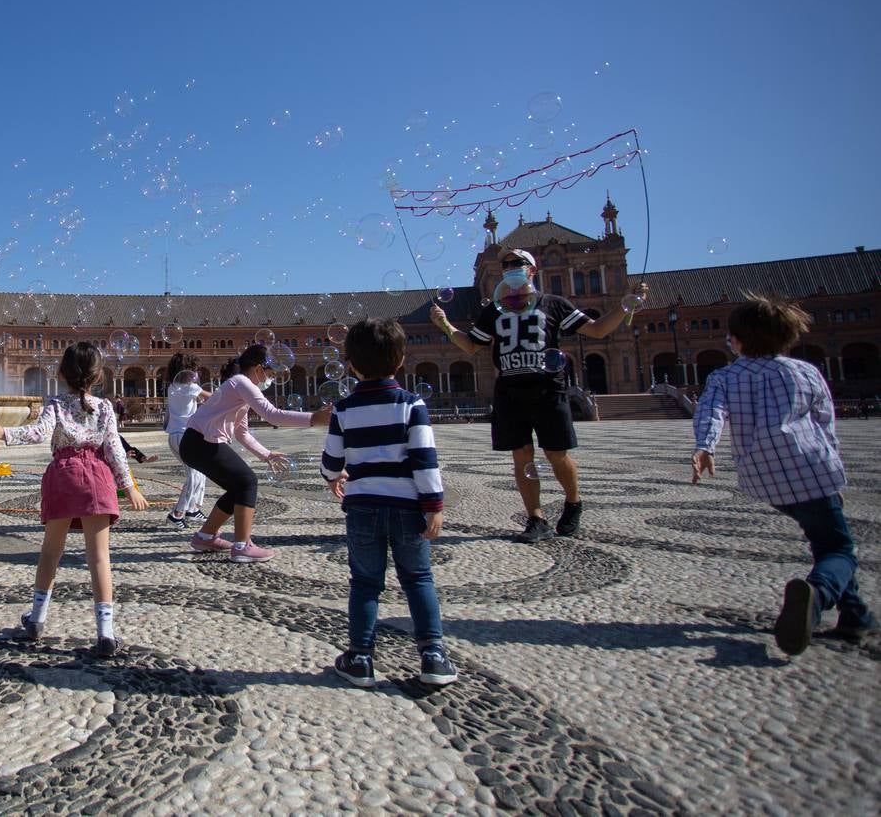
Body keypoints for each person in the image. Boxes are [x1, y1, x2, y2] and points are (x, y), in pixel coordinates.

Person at [692, 294, 875, 655]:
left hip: (764, 476)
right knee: (840, 549)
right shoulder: (805, 371)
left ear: (739, 340)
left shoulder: (724, 376)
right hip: (811, 469)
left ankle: (856, 616)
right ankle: (819, 595)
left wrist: (705, 446)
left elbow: (710, 413)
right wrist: (834, 472)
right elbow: (826, 424)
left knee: (825, 541)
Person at [432, 248, 649, 543]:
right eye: (505, 264)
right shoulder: (493, 311)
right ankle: (536, 518)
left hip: (549, 389)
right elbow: (471, 346)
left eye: (517, 264)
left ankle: (573, 502)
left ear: (532, 270)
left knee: (556, 454)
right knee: (521, 457)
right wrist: (445, 325)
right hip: (509, 391)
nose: (510, 268)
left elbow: (598, 331)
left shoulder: (553, 304)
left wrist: (625, 305)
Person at [0, 342, 149, 657]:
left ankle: (36, 619)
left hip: (64, 476)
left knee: (50, 553)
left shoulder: (55, 403)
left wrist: (5, 433)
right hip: (98, 479)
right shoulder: (104, 407)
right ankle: (106, 634)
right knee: (99, 558)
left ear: (61, 373)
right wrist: (130, 487)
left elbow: (40, 432)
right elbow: (114, 449)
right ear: (98, 376)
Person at [321, 318, 457, 687]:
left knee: (365, 583)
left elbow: (331, 460)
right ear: (400, 360)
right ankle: (433, 657)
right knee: (418, 579)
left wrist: (334, 478)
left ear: (350, 364)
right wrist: (434, 505)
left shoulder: (343, 408)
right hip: (408, 506)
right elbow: (425, 459)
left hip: (362, 507)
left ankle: (361, 658)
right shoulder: (412, 403)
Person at [179, 343, 331, 563]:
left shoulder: (238, 389)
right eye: (269, 373)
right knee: (247, 481)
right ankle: (242, 546)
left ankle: (205, 537)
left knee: (237, 488)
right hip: (200, 442)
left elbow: (242, 433)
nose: (269, 379)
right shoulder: (241, 382)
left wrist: (266, 454)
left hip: (196, 443)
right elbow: (272, 415)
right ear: (258, 368)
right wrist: (312, 419)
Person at [163, 351, 210, 529]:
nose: (196, 374)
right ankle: (177, 514)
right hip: (185, 437)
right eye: (194, 371)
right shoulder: (192, 388)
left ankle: (192, 508)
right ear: (188, 372)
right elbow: (213, 397)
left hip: (175, 436)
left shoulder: (173, 388)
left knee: (200, 472)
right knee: (193, 477)